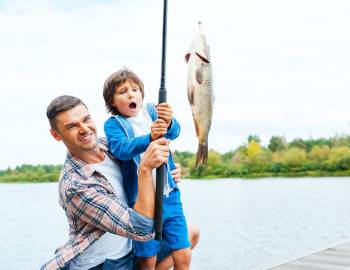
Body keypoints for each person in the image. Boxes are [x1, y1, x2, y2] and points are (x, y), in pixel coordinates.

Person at [41, 95, 198, 270]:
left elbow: (140, 152)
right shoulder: (75, 185)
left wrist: (166, 172)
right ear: (56, 135)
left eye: (86, 119)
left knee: (191, 234)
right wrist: (146, 169)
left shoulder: (108, 146)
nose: (84, 129)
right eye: (72, 126)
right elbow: (140, 229)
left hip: (130, 248)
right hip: (104, 263)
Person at [103, 69, 191, 270]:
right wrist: (150, 138)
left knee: (183, 253)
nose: (131, 94)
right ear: (112, 102)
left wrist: (168, 120)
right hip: (142, 202)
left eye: (135, 89)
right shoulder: (114, 124)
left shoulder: (152, 111)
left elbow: (175, 132)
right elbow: (122, 149)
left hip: (170, 196)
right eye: (123, 92)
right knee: (148, 259)